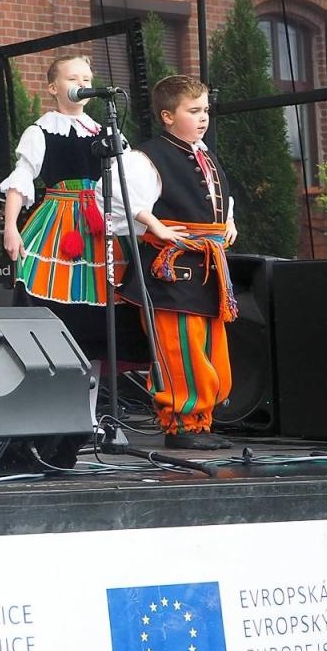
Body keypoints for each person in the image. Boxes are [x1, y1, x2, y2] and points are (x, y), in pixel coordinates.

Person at [0, 53, 139, 415]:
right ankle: (49, 409)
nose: (81, 83)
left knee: (96, 321)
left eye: (86, 77)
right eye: (72, 77)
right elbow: (21, 181)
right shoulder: (41, 130)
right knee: (57, 312)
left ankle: (88, 414)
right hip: (58, 223)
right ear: (53, 87)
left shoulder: (105, 131)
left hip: (97, 223)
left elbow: (130, 181)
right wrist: (11, 227)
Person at [122, 75, 238, 451]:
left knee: (208, 345)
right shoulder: (147, 156)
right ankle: (181, 423)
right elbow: (122, 202)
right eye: (194, 111)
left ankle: (201, 422)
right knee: (179, 345)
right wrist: (157, 226)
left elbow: (222, 199)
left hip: (207, 265)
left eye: (205, 110)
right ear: (168, 116)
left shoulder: (204, 153)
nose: (203, 118)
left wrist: (228, 224)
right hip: (171, 269)